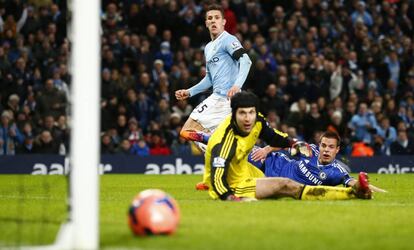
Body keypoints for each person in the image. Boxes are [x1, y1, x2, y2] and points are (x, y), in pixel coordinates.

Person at [203, 91, 372, 201]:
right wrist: (229, 197)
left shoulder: (257, 121)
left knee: (279, 180)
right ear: (234, 114)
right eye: (242, 113)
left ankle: (356, 191)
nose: (248, 118)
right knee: (285, 185)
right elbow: (218, 178)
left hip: (251, 170)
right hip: (237, 184)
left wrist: (289, 143)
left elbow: (274, 137)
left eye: (251, 112)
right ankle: (202, 139)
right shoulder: (224, 143)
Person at [175, 4, 252, 149]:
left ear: (223, 22)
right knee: (205, 139)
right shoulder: (209, 48)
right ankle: (222, 160)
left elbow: (246, 61)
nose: (213, 21)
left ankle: (220, 155)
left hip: (224, 98)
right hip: (222, 101)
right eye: (210, 18)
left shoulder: (228, 40)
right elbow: (209, 79)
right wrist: (189, 92)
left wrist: (237, 86)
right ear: (206, 23)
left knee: (187, 131)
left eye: (217, 18)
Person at [248, 130, 385, 193]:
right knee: (235, 152)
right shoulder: (309, 150)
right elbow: (285, 143)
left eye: (331, 147)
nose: (326, 150)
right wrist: (266, 149)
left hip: (274, 182)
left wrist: (368, 187)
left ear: (337, 150)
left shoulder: (336, 172)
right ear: (319, 145)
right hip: (266, 162)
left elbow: (353, 183)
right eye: (323, 146)